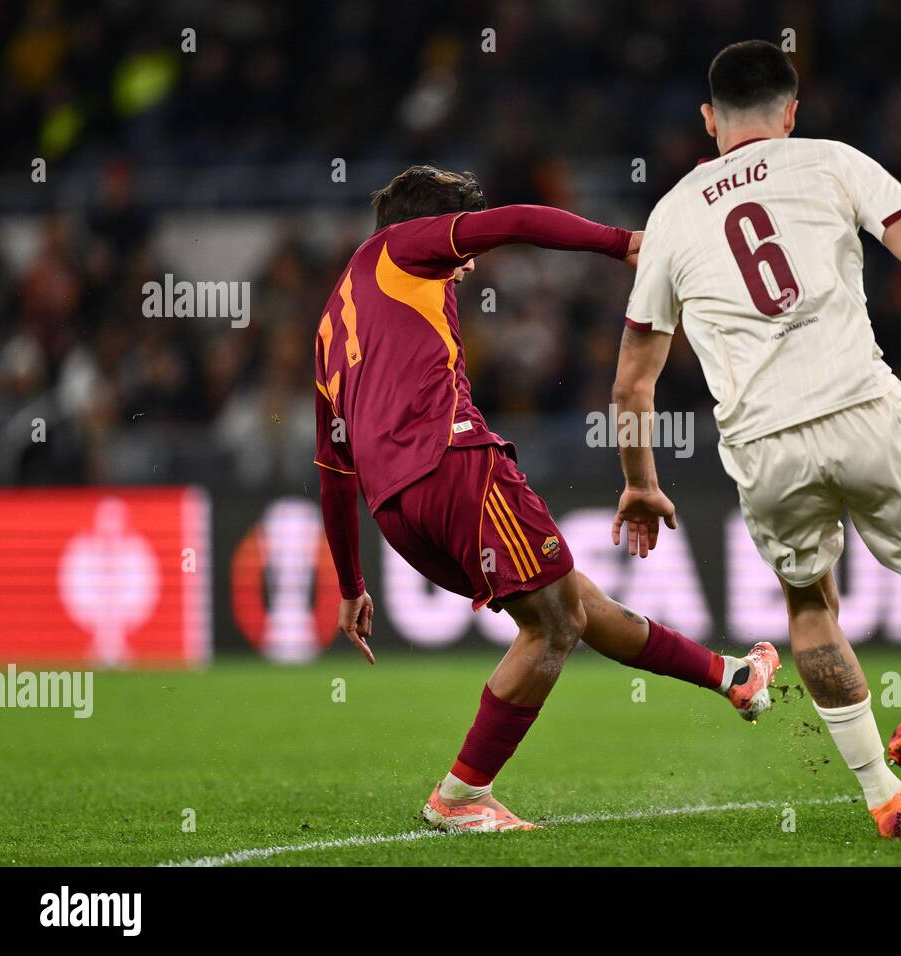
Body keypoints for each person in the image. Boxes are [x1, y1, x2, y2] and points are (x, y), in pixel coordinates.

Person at [611, 41, 901, 839]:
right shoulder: (832, 160)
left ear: (709, 120)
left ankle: (884, 800)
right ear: (791, 113)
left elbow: (633, 384)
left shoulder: (668, 216)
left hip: (762, 446)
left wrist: (639, 479)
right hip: (860, 406)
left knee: (809, 605)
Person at [315, 165, 780, 833]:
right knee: (555, 624)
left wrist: (352, 582)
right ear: (427, 228)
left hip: (396, 512)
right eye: (463, 252)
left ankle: (729, 675)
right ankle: (461, 796)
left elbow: (333, 465)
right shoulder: (404, 247)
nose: (468, 266)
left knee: (572, 602)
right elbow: (519, 222)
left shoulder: (332, 323)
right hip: (451, 462)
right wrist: (622, 242)